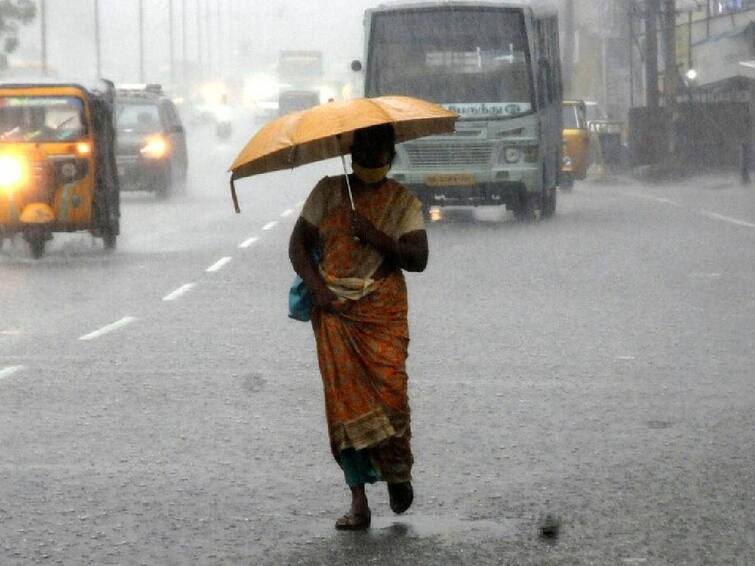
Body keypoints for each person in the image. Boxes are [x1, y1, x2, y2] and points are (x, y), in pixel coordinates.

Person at [288, 124, 429, 530]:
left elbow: (418, 258)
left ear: (390, 156)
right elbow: (298, 246)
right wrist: (320, 292)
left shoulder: (401, 202)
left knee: (392, 398)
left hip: (381, 313)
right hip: (334, 313)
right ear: (351, 155)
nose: (371, 163)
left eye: (379, 156)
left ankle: (398, 472)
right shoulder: (328, 192)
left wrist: (374, 236)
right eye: (364, 155)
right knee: (344, 409)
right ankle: (358, 500)